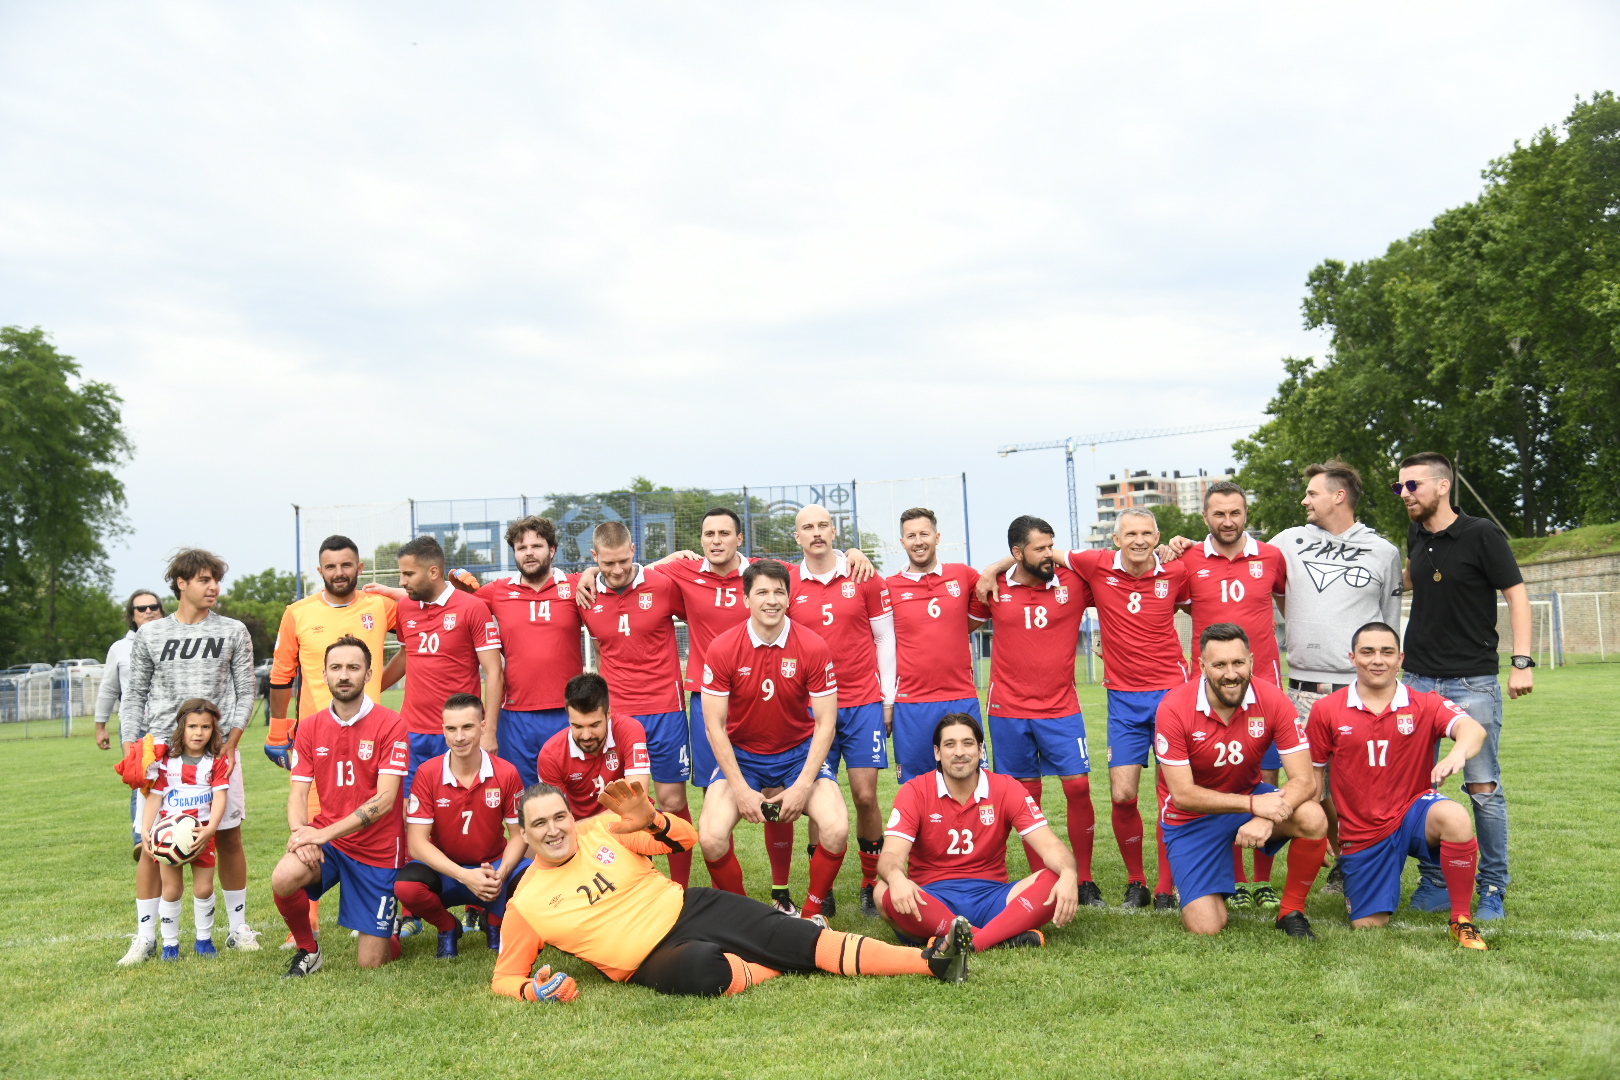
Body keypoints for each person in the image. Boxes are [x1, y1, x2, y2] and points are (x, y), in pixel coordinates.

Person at [491, 778, 974, 1000]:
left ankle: (931, 961)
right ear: (524, 834)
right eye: (540, 824)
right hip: (646, 960)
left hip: (690, 907)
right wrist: (534, 991)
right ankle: (779, 961)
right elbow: (505, 977)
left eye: (559, 817)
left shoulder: (601, 828)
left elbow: (685, 840)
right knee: (705, 971)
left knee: (804, 937)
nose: (554, 830)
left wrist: (654, 819)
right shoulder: (526, 903)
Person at [1396, 452, 1532, 922]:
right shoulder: (1415, 532)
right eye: (1399, 487)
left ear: (1442, 486)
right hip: (1417, 681)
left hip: (1473, 681)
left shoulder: (1482, 534)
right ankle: (1435, 880)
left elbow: (1517, 596)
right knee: (1419, 788)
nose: (1404, 494)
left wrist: (1521, 662)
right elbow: (1409, 580)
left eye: (1412, 485)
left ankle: (1492, 886)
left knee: (1483, 787)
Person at [1305, 622, 1489, 949]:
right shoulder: (1326, 709)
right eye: (1368, 652)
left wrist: (1457, 754)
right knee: (1368, 924)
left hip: (1412, 813)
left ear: (1400, 659)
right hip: (1363, 830)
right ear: (1352, 658)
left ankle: (1461, 919)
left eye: (1387, 652)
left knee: (1455, 816)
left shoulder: (1425, 703)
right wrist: (1321, 834)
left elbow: (1473, 730)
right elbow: (1314, 781)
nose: (1378, 660)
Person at [1265, 461, 1403, 895]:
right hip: (1302, 690)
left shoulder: (1383, 551)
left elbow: (1388, 624)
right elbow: (1241, 557)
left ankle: (1363, 865)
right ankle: (1341, 858)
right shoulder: (1288, 541)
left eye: (1312, 493)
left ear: (1338, 496)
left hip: (1359, 690)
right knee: (1312, 786)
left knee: (1362, 787)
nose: (1304, 500)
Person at [121, 549, 260, 962]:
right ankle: (146, 937)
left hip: (218, 753)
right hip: (162, 754)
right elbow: (134, 695)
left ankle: (237, 929)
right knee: (152, 842)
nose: (213, 587)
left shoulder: (233, 630)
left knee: (228, 836)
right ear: (181, 583)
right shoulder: (151, 634)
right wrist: (132, 747)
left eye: (216, 580)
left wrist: (231, 742)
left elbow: (246, 691)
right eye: (204, 580)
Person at [265, 534, 405, 946]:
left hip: (370, 735)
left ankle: (394, 914)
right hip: (317, 736)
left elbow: (419, 630)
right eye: (331, 566)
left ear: (359, 568)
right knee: (311, 819)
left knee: (384, 820)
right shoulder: (297, 613)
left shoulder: (380, 605)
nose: (339, 573)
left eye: (347, 565)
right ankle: (307, 925)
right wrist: (277, 729)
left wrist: (378, 683)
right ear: (320, 570)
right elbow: (281, 673)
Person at [1154, 623, 1329, 938]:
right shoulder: (1174, 707)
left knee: (1312, 816)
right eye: (1219, 665)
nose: (1231, 674)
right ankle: (1200, 882)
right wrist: (1253, 805)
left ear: (1251, 660)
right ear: (1202, 666)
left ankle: (1291, 912)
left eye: (1238, 662)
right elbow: (1182, 795)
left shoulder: (1273, 699)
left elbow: (1304, 781)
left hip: (1249, 800)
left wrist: (1265, 815)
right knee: (1206, 927)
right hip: (1191, 818)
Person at [696, 559, 846, 919]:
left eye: (779, 592)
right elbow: (714, 726)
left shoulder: (812, 645)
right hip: (744, 757)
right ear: (746, 598)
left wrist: (801, 786)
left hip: (797, 755)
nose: (772, 600)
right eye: (762, 592)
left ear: (789, 598)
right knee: (711, 837)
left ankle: (811, 915)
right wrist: (741, 790)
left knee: (837, 827)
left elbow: (826, 723)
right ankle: (745, 917)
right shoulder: (722, 647)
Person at [967, 516, 1104, 907]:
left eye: (1051, 546)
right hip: (1008, 710)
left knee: (1078, 787)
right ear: (1017, 553)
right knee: (1025, 797)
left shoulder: (1073, 582)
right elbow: (960, 627)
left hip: (1061, 707)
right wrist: (992, 570)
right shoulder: (994, 587)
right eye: (1040, 548)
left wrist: (996, 563)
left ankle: (1085, 879)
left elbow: (1111, 570)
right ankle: (1041, 879)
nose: (1049, 555)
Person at [1165, 482, 1289, 907]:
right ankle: (1232, 880)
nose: (1228, 521)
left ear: (1246, 513)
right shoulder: (1187, 560)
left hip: (1264, 688)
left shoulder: (1271, 556)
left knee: (1266, 782)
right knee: (1221, 783)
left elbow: (1288, 606)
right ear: (1205, 517)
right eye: (1219, 513)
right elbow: (1170, 605)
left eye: (1235, 512)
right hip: (1213, 693)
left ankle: (1262, 880)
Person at [877, 713, 1080, 951]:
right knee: (884, 889)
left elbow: (1050, 846)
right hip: (931, 900)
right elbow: (891, 856)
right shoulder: (915, 791)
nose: (959, 752)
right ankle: (999, 936)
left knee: (1055, 876)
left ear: (981, 749)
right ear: (937, 753)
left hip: (993, 898)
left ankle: (966, 941)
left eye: (968, 743)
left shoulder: (1006, 788)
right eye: (950, 744)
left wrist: (1069, 873)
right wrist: (897, 879)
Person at [272, 635, 410, 977]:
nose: (344, 675)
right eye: (336, 668)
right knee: (283, 876)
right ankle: (308, 950)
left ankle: (387, 929)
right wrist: (301, 834)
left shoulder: (391, 724)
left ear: (368, 674)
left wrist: (321, 835)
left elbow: (384, 801)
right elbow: (298, 793)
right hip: (330, 842)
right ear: (324, 674)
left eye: (353, 667)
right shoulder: (309, 727)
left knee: (371, 962)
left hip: (378, 849)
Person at [571, 520, 695, 885]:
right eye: (607, 563)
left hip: (665, 709)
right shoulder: (586, 594)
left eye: (623, 561)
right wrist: (588, 575)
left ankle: (681, 887)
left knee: (671, 801)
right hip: (619, 716)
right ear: (594, 557)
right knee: (626, 804)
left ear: (634, 551)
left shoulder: (663, 584)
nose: (617, 570)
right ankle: (639, 884)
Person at [788, 504, 894, 918]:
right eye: (807, 527)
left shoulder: (862, 574)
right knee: (819, 797)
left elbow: (884, 639)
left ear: (834, 531)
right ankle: (823, 887)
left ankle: (870, 883)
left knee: (865, 796)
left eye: (823, 526)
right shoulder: (786, 581)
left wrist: (887, 698)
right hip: (812, 707)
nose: (816, 533)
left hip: (862, 701)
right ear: (797, 537)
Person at [395, 693, 528, 958]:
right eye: (451, 729)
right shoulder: (427, 773)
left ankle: (495, 921)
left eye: (467, 727)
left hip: (493, 869)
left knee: (532, 877)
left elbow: (519, 835)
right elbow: (417, 844)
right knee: (406, 887)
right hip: (446, 872)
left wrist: (501, 875)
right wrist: (464, 876)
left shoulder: (506, 772)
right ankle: (447, 927)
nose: (459, 737)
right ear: (443, 730)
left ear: (483, 726)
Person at [463, 515, 584, 788]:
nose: (529, 552)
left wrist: (668, 560)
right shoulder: (497, 591)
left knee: (571, 796)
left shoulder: (575, 585)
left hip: (568, 711)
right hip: (516, 716)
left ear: (552, 550)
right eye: (521, 547)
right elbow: (446, 601)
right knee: (523, 798)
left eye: (536, 546)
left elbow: (618, 570)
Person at [391, 535, 504, 786]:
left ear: (433, 572)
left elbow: (494, 672)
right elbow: (405, 655)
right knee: (409, 807)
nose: (402, 582)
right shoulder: (405, 607)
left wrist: (489, 731)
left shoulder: (472, 607)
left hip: (458, 733)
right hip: (411, 732)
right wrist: (370, 686)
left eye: (408, 574)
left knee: (458, 804)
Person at [885, 508, 984, 785]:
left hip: (960, 696)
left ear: (937, 537)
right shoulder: (889, 586)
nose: (918, 541)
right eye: (911, 536)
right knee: (916, 785)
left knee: (970, 779)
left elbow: (990, 591)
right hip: (912, 702)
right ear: (902, 542)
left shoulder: (962, 575)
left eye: (924, 534)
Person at [140, 698, 232, 961]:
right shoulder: (166, 762)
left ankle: (204, 940)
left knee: (204, 889)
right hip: (168, 838)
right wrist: (146, 829)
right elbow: (155, 798)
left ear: (213, 730)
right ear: (182, 727)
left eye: (205, 727)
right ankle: (170, 944)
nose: (198, 733)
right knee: (171, 890)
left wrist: (210, 829)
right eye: (192, 726)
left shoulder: (215, 762)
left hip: (201, 836)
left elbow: (220, 798)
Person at [536, 673, 651, 821]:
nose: (586, 736)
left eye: (594, 725)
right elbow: (556, 821)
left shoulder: (630, 730)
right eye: (577, 726)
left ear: (608, 714)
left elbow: (637, 804)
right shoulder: (550, 755)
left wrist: (585, 825)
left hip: (630, 825)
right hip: (581, 833)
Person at [95, 588, 165, 756]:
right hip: (135, 729)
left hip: (172, 727)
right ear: (132, 616)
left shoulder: (176, 644)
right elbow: (109, 689)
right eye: (141, 608)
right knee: (139, 773)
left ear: (161, 612)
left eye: (153, 607)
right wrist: (100, 728)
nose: (148, 611)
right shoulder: (119, 648)